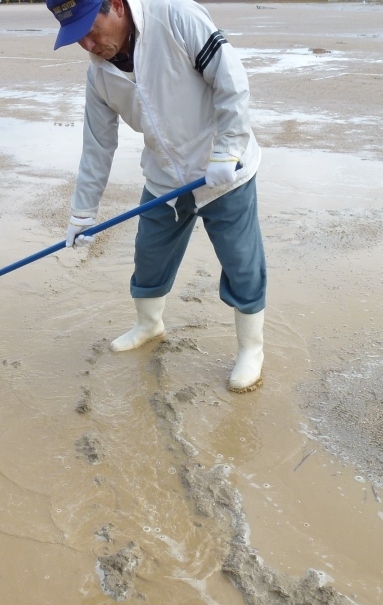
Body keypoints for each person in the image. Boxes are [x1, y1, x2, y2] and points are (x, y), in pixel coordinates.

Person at [48, 0, 267, 393]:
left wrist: (228, 149)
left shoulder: (176, 17)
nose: (88, 45)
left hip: (224, 171)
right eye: (77, 37)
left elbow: (231, 81)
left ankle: (251, 349)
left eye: (91, 30)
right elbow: (98, 146)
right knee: (149, 256)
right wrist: (82, 213)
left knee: (242, 263)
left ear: (116, 5)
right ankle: (149, 324)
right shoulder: (99, 75)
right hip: (165, 178)